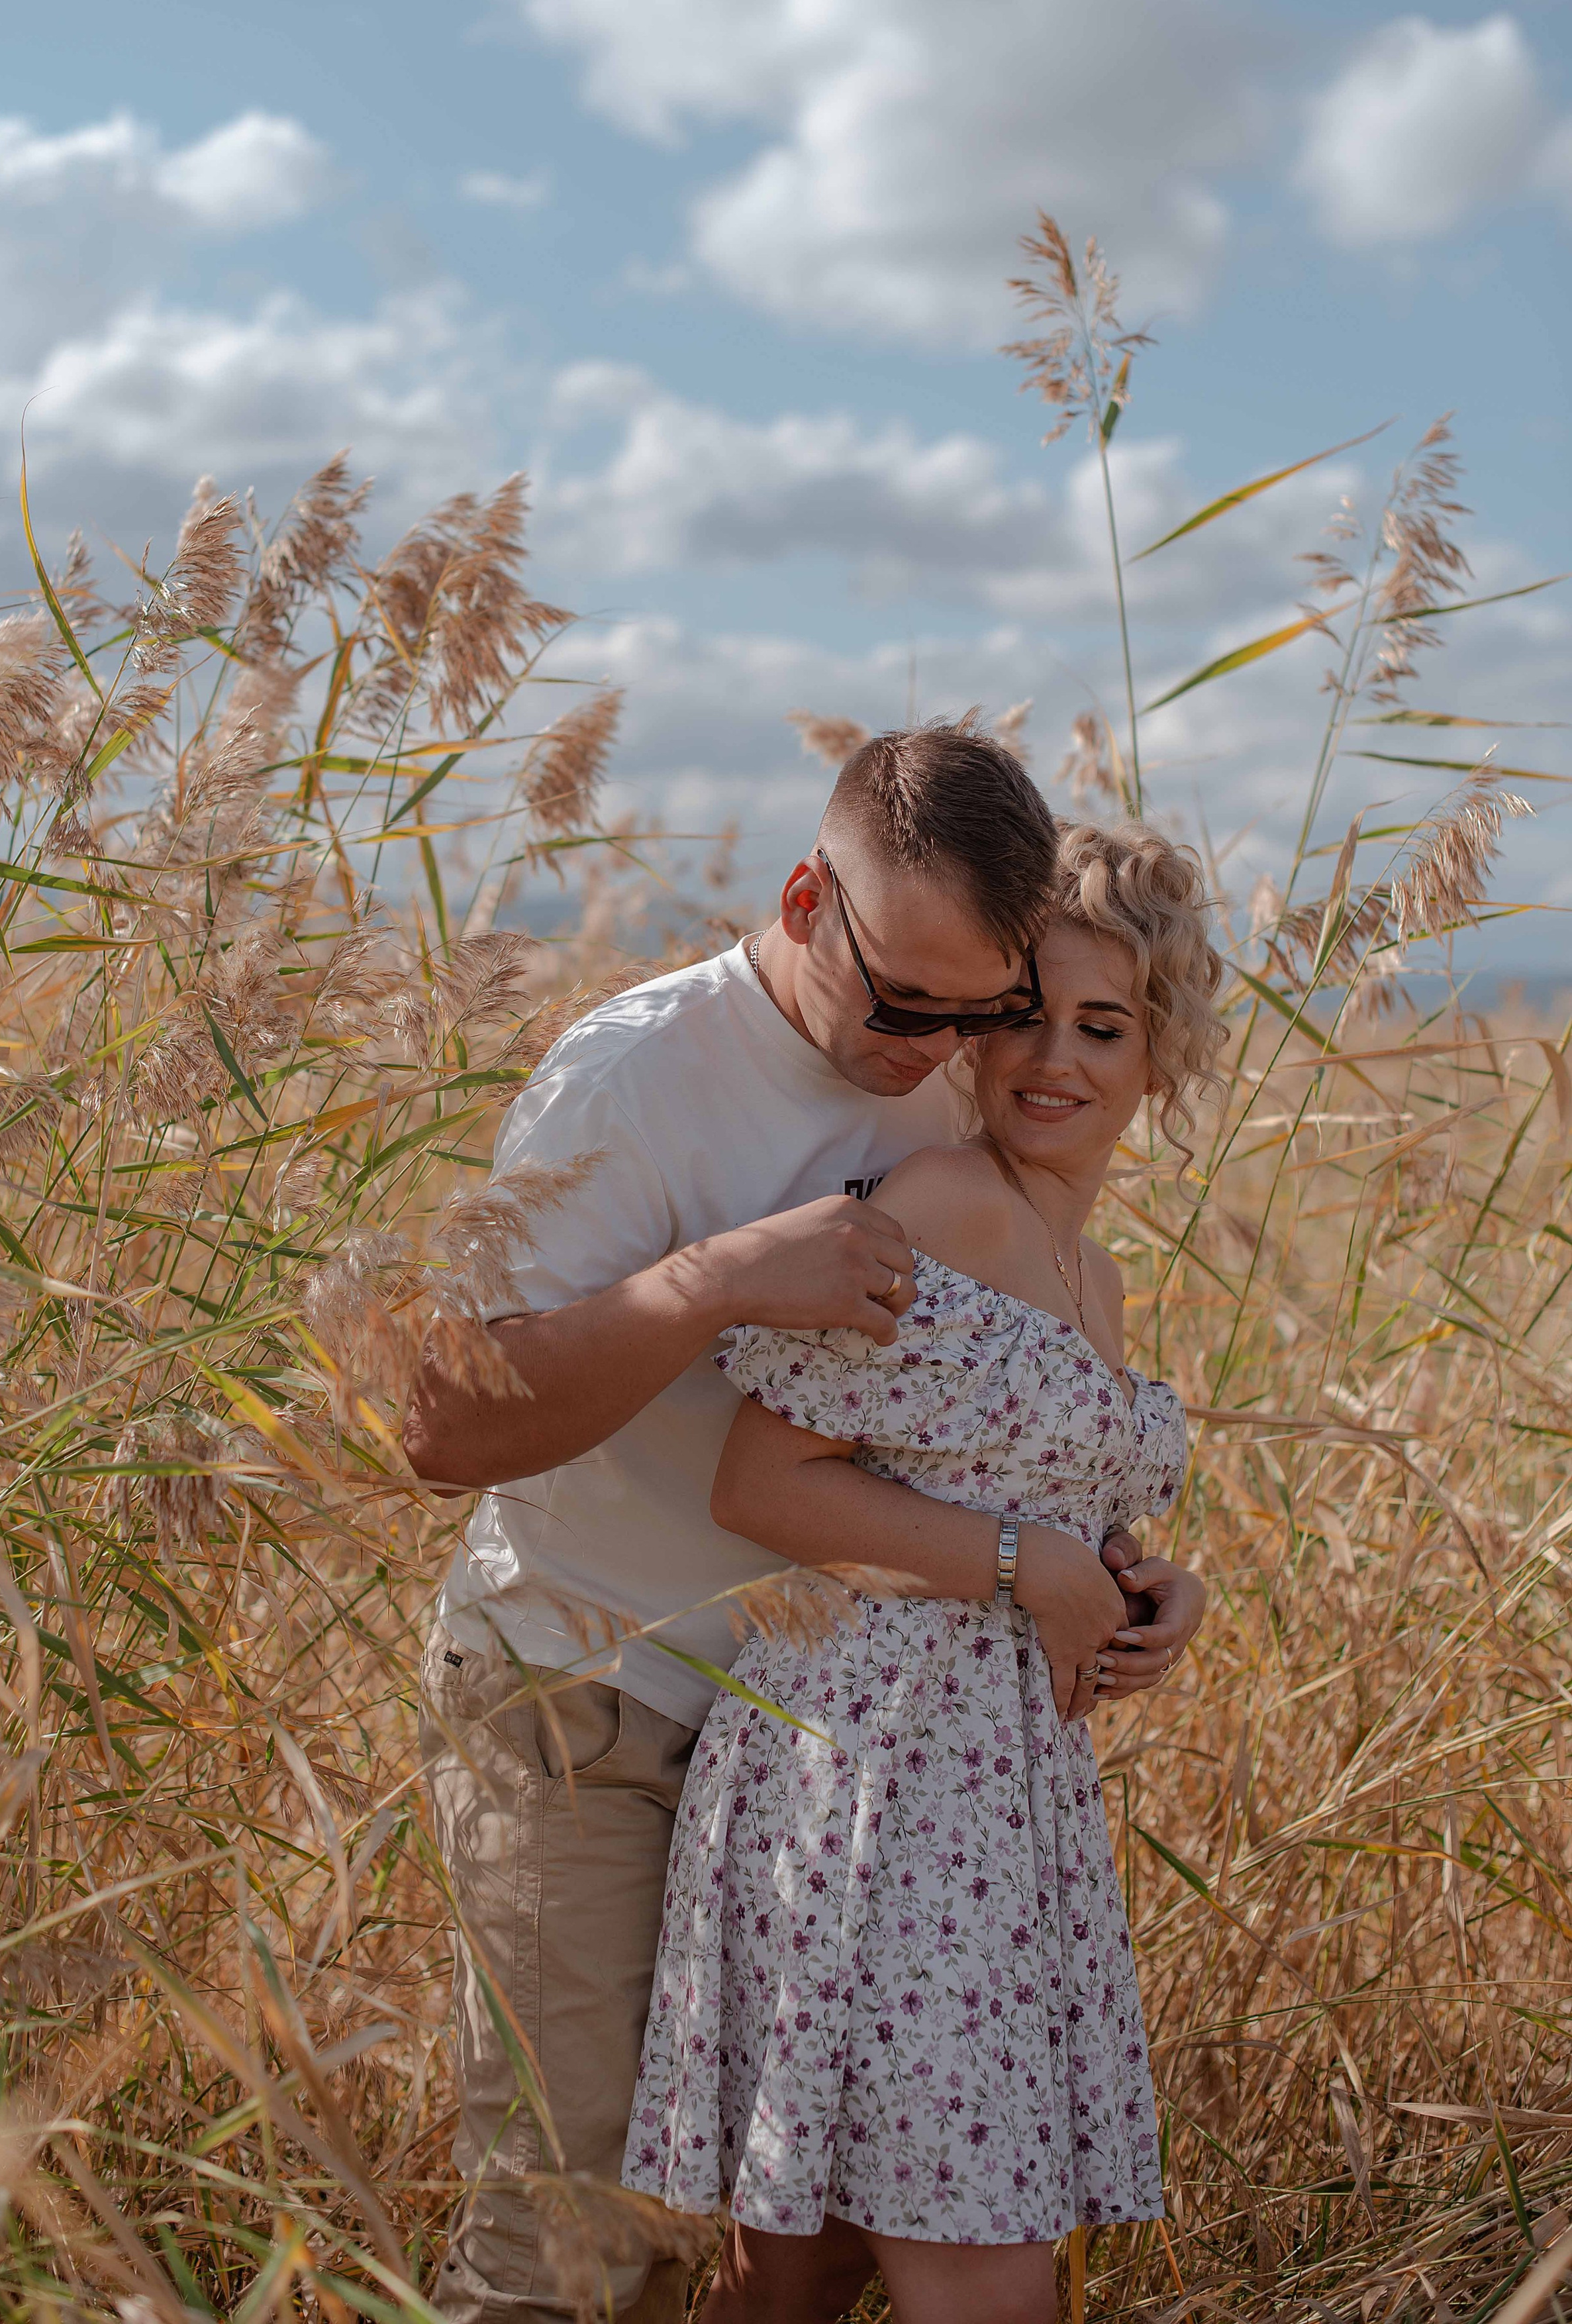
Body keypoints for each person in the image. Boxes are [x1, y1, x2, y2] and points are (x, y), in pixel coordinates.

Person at [403, 728, 1201, 2324]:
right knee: (576, 2235)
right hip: (590, 1693)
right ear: (801, 901)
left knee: (772, 2233)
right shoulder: (637, 1077)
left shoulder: (957, 1084)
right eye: (904, 1003)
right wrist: (713, 1281)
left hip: (817, 1756)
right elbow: (442, 1427)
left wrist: (1119, 1574)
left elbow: (965, 1428)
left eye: (977, 1010)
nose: (942, 1049)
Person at [622, 818, 1222, 2324]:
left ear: (1161, 1053)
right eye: (1023, 1016)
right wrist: (1027, 1566)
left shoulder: (1095, 1273)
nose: (1053, 1060)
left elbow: (1013, 1491)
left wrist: (1146, 1588)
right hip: (872, 1779)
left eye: (1102, 1026)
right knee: (985, 2277)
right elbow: (763, 1483)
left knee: (803, 2264)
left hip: (998, 1804)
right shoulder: (943, 1203)